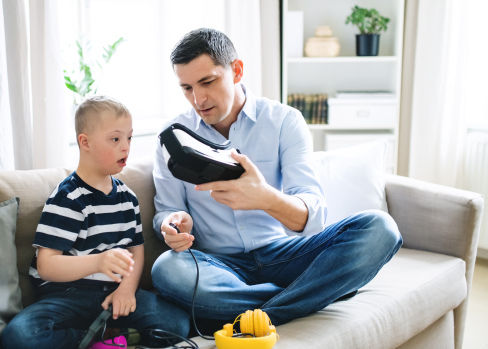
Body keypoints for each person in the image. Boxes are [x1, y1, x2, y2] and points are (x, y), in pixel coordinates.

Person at [151, 28, 403, 332]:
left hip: (286, 256)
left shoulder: (284, 121)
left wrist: (265, 198)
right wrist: (171, 224)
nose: (198, 99)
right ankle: (314, 292)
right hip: (218, 265)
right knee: (167, 269)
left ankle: (251, 312)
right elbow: (166, 210)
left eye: (207, 82)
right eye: (187, 88)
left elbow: (314, 216)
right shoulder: (173, 136)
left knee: (380, 229)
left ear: (237, 70)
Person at [0, 95, 189, 349]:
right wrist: (98, 261)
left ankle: (108, 334)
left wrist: (127, 290)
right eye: (115, 139)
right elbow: (46, 266)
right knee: (20, 336)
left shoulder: (128, 198)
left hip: (114, 293)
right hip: (68, 296)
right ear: (85, 142)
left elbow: (136, 251)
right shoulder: (68, 197)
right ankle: (96, 338)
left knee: (177, 324)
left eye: (129, 138)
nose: (126, 147)